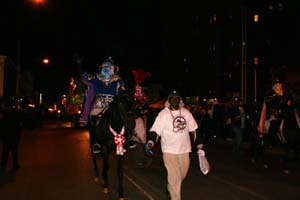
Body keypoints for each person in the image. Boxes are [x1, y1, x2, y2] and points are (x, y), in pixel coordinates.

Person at [146, 90, 199, 200]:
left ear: (180, 100)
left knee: (182, 175)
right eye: (172, 98)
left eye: (177, 98)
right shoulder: (163, 114)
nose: (175, 100)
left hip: (184, 150)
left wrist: (199, 144)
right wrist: (151, 142)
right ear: (169, 101)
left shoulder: (186, 113)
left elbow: (194, 130)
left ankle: (169, 187)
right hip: (169, 151)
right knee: (175, 178)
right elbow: (155, 131)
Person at [81, 57, 125, 153]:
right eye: (105, 66)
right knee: (93, 118)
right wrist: (80, 66)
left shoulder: (117, 79)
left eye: (110, 67)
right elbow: (85, 79)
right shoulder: (96, 77)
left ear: (113, 68)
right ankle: (95, 142)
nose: (107, 68)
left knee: (124, 116)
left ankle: (130, 138)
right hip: (100, 103)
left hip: (113, 102)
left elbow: (122, 91)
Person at [0, 97, 24, 171]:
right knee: (14, 149)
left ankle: (3, 165)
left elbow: (2, 124)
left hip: (7, 134)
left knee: (6, 150)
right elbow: (22, 121)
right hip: (15, 133)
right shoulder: (18, 111)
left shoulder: (4, 113)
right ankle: (15, 164)